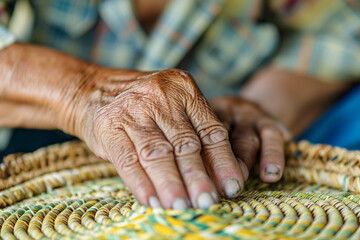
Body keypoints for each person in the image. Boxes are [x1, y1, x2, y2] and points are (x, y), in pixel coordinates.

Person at [0, 0, 359, 210]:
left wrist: (257, 106)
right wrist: (83, 93)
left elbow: (338, 31)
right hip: (43, 126)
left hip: (220, 136)